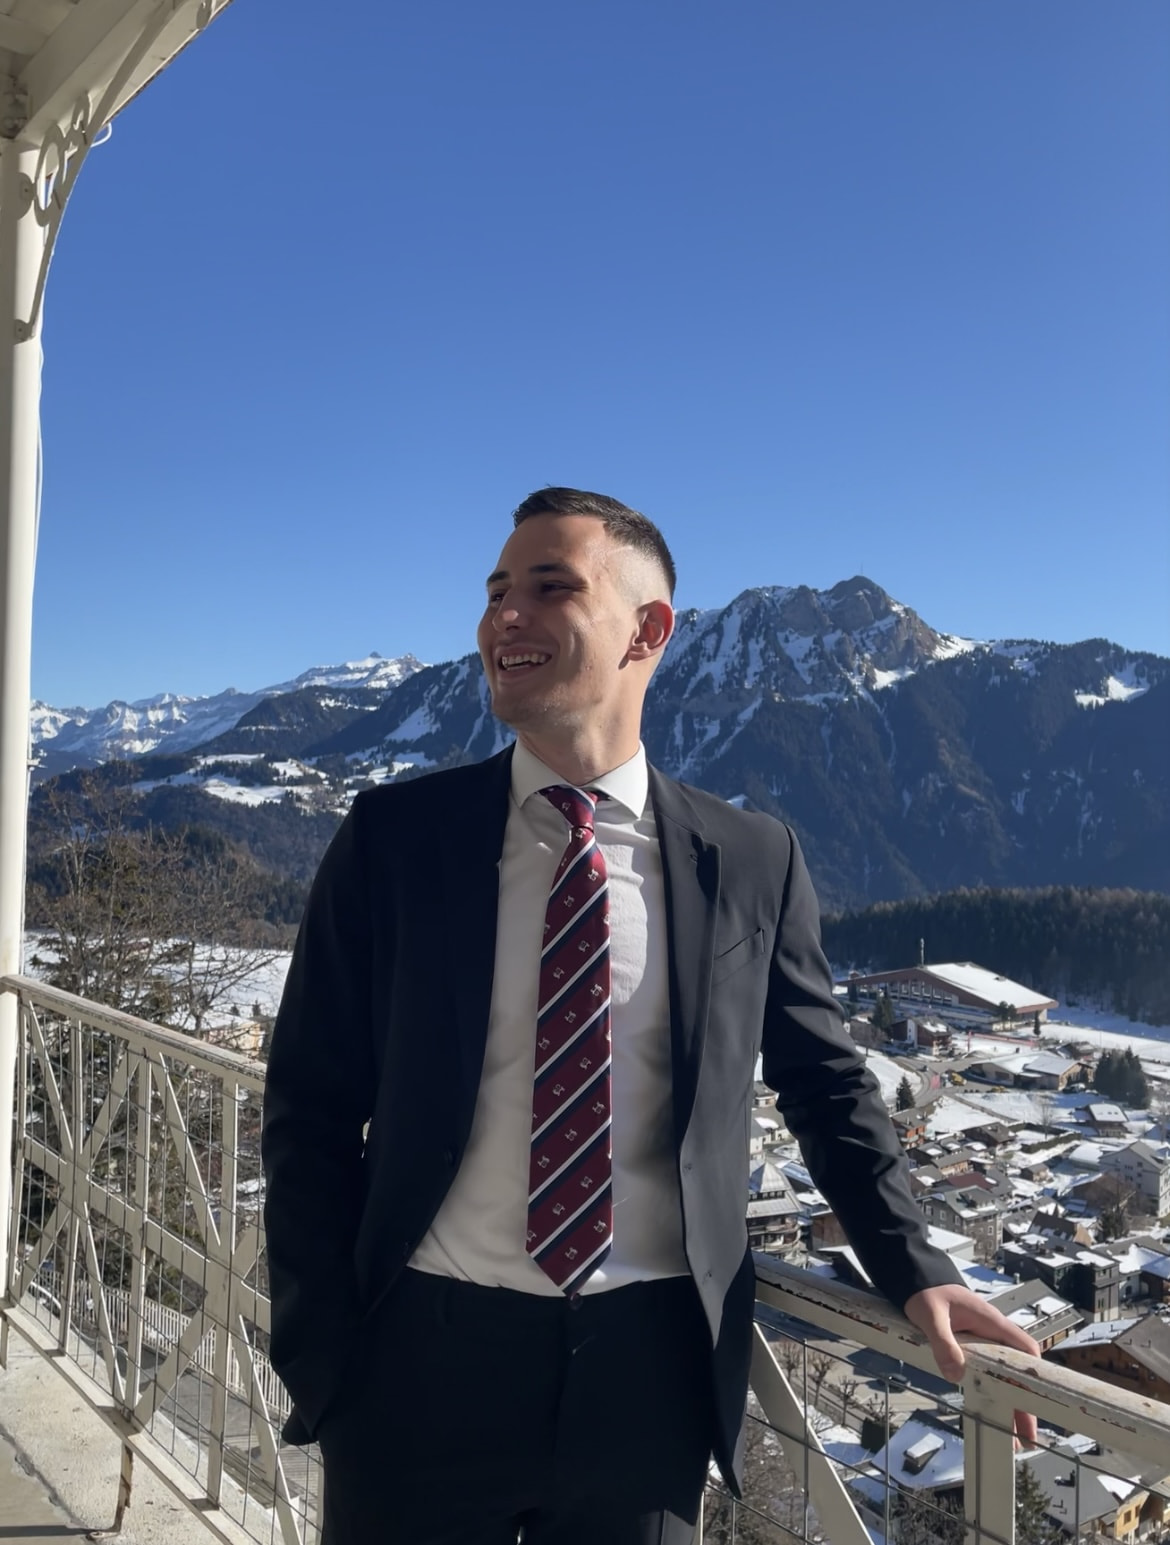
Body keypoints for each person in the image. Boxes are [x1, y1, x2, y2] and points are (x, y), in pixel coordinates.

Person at [262, 487, 1039, 1545]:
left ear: (649, 629)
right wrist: (320, 1349)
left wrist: (914, 1269)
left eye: (549, 587)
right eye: (494, 592)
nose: (504, 617)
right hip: (417, 1366)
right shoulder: (396, 838)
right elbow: (308, 1103)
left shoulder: (751, 857)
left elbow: (825, 1084)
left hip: (650, 1381)